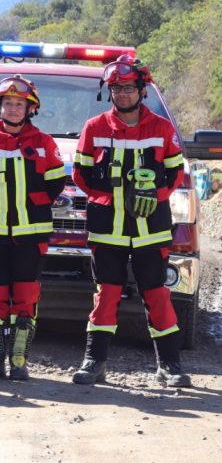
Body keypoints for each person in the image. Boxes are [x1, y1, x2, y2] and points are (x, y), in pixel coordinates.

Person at [71, 55, 190, 387]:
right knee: (106, 294)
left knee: (157, 294)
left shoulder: (162, 128)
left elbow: (176, 172)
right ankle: (94, 362)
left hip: (151, 229)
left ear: (141, 89)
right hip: (108, 228)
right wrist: (108, 199)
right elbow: (80, 174)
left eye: (128, 87)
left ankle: (170, 366)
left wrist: (156, 196)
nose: (122, 94)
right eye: (116, 88)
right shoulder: (94, 128)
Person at [0, 75, 66, 380]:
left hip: (30, 236)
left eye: (19, 103)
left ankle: (20, 360)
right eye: (7, 103)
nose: (12, 108)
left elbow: (55, 184)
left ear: (30, 108)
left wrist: (30, 209)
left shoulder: (44, 143)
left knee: (26, 296)